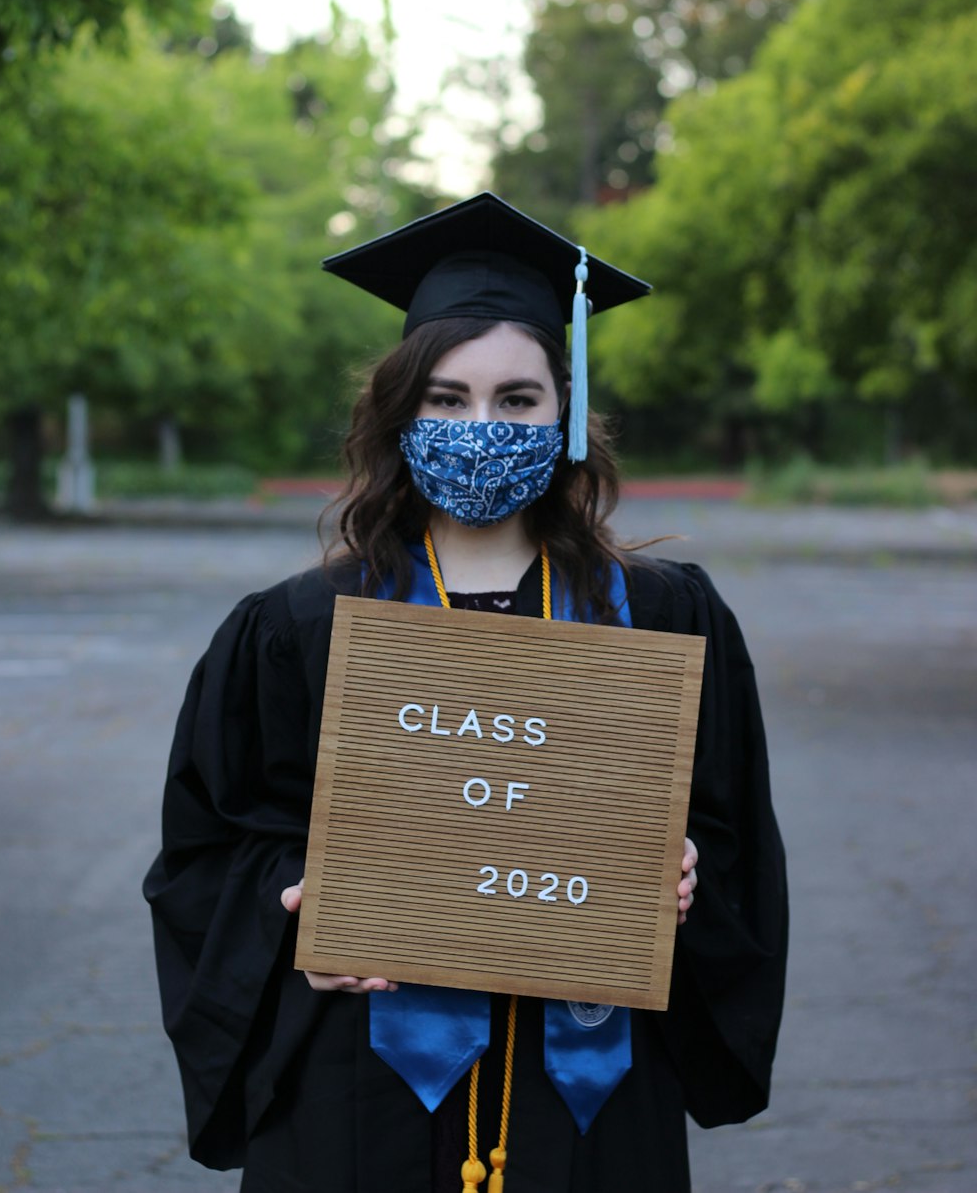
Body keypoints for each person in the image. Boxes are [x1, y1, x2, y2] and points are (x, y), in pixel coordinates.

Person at [144, 192, 788, 1193]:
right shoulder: (296, 629)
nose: (480, 426)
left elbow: (729, 830)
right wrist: (292, 917)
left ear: (564, 416)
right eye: (446, 399)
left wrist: (687, 876)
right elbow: (207, 851)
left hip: (589, 1095)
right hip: (358, 1085)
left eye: (516, 399)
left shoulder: (659, 616)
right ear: (398, 416)